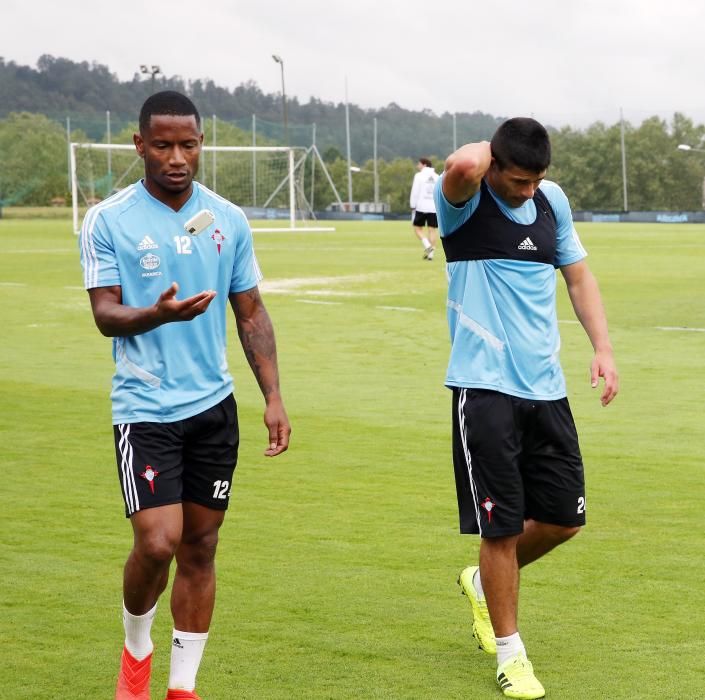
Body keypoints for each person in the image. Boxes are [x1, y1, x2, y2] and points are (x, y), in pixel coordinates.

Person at [79, 91, 291, 700]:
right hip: (145, 411)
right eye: (164, 144)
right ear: (139, 144)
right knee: (158, 541)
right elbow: (105, 314)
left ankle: (181, 687)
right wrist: (157, 314)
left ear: (201, 145)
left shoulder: (228, 218)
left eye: (189, 145)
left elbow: (250, 312)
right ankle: (136, 647)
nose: (177, 157)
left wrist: (272, 396)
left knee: (200, 545)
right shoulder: (109, 219)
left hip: (213, 411)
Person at [433, 118, 618, 699]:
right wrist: (493, 156)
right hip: (483, 390)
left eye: (537, 180)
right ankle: (511, 657)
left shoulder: (550, 201)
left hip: (547, 390)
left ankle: (482, 586)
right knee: (502, 529)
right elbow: (461, 165)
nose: (528, 191)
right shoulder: (464, 202)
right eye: (517, 180)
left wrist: (603, 349)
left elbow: (579, 277)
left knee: (565, 519)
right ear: (495, 165)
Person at [409, 157, 440, 260]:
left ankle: (427, 246)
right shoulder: (437, 177)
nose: (418, 166)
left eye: (419, 164)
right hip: (434, 207)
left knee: (417, 228)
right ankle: (431, 254)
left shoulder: (419, 176)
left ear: (424, 165)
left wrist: (412, 205)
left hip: (421, 206)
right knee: (432, 230)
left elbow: (415, 192)